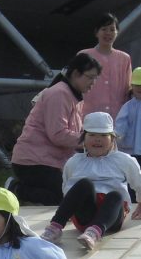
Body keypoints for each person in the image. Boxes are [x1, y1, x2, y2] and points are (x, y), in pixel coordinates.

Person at [39, 111, 141, 250]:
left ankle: (94, 233)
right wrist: (67, 211)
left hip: (112, 217)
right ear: (84, 138)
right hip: (85, 214)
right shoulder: (74, 162)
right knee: (84, 184)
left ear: (113, 138)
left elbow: (139, 180)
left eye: (103, 136)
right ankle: (54, 228)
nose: (98, 139)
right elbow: (67, 187)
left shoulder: (123, 160)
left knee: (116, 195)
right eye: (92, 135)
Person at [10, 53, 100, 205]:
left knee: (72, 194)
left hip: (47, 161)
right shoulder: (59, 93)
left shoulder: (72, 95)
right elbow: (58, 134)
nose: (93, 83)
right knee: (64, 197)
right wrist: (88, 140)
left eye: (95, 78)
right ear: (76, 74)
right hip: (33, 162)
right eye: (90, 77)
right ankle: (16, 188)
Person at [79, 12, 132, 120]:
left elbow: (128, 88)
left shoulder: (124, 58)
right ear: (96, 32)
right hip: (88, 118)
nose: (108, 33)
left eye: (112, 29)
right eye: (104, 29)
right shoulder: (84, 55)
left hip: (117, 119)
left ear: (117, 32)